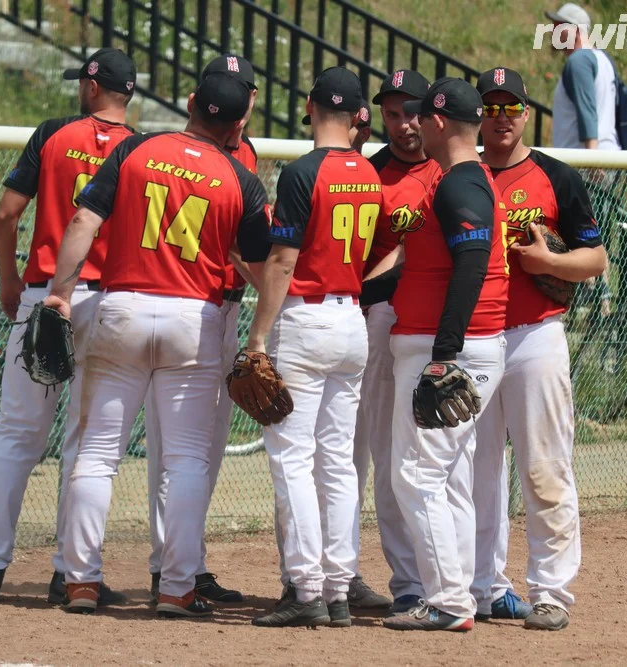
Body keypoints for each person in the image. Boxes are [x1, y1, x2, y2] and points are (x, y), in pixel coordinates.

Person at [46, 71, 270, 617]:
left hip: (121, 308)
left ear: (190, 102)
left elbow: (83, 220)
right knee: (187, 461)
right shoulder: (239, 176)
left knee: (97, 454)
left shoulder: (137, 150)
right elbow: (260, 265)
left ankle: (80, 581)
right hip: (194, 319)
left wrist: (60, 295)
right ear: (240, 123)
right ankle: (176, 587)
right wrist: (268, 326)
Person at [0, 48, 136, 605]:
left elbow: (7, 214)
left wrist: (9, 279)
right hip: (105, 301)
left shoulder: (53, 134)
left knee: (17, 433)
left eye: (84, 82)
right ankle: (73, 574)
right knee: (87, 444)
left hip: (44, 296)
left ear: (94, 88)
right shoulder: (143, 150)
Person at [367, 77, 509, 631]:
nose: (413, 125)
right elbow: (421, 267)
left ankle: (449, 602)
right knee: (444, 478)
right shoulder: (462, 180)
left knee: (417, 476)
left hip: (452, 347)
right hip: (453, 343)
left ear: (441, 123)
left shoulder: (458, 183)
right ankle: (455, 593)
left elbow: (473, 263)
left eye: (422, 117)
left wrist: (445, 354)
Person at [244, 66, 383, 628]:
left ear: (309, 107)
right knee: (339, 463)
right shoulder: (369, 174)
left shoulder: (304, 172)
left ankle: (306, 590)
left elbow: (282, 261)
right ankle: (339, 586)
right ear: (356, 117)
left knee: (293, 459)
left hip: (306, 320)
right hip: (353, 321)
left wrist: (257, 337)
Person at [473, 66, 607, 631]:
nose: (500, 117)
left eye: (510, 107)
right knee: (475, 472)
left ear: (525, 114)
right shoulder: (458, 176)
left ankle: (551, 590)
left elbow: (595, 261)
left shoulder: (556, 177)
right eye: (490, 106)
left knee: (544, 465)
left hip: (536, 335)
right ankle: (482, 585)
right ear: (477, 114)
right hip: (475, 340)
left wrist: (549, 263)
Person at [143, 53, 260, 607]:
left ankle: (187, 562)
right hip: (190, 308)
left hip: (225, 309)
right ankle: (168, 566)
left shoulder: (247, 157)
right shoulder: (180, 153)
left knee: (203, 450)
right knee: (176, 450)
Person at [354, 69, 448, 617]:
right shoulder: (368, 175)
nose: (404, 124)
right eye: (392, 114)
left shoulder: (449, 170)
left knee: (426, 456)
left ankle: (451, 576)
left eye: (412, 112)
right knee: (372, 454)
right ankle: (405, 582)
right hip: (379, 320)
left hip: (436, 320)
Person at [546, 2, 619, 152]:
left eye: (559, 25)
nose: (553, 31)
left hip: (584, 161)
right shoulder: (604, 59)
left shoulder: (579, 61)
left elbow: (587, 111)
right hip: (607, 154)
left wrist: (592, 159)